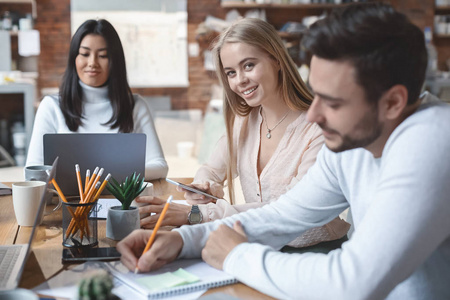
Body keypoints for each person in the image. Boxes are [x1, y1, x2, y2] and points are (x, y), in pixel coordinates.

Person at [117, 3, 450, 299]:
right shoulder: (351, 137)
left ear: (393, 102)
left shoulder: (432, 141)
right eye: (315, 95)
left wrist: (237, 255)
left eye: (332, 102)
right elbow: (283, 215)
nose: (315, 115)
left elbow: (352, 282)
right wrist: (184, 241)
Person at [136, 18, 349, 249]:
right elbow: (210, 169)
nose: (240, 81)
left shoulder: (319, 130)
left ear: (276, 59)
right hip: (258, 246)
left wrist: (195, 213)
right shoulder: (244, 121)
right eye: (231, 72)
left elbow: (286, 210)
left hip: (315, 253)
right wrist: (204, 187)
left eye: (248, 65)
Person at [26, 19, 168, 180]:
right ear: (74, 58)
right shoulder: (51, 106)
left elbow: (160, 166)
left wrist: (104, 177)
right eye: (85, 54)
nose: (92, 63)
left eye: (103, 55)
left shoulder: (135, 106)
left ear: (115, 61)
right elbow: (33, 173)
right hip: (65, 203)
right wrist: (117, 172)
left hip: (122, 203)